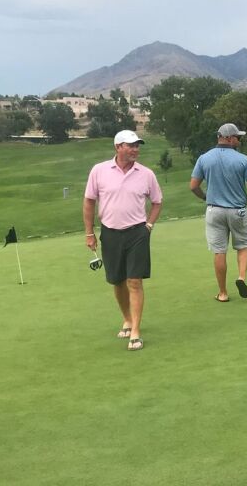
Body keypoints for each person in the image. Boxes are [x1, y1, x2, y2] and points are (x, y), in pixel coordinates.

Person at [83, 130, 163, 351]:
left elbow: (157, 202)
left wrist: (149, 225)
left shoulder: (146, 174)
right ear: (118, 147)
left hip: (137, 232)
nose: (136, 149)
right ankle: (127, 319)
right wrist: (89, 233)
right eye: (131, 145)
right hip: (110, 232)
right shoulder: (99, 171)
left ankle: (135, 331)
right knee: (117, 281)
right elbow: (89, 201)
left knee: (134, 281)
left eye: (137, 146)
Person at [190, 123, 247, 301]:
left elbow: (193, 186)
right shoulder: (242, 159)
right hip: (237, 211)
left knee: (219, 251)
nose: (239, 140)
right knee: (243, 246)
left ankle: (223, 293)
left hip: (214, 211)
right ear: (228, 138)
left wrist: (206, 198)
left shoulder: (204, 158)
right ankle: (241, 277)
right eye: (237, 137)